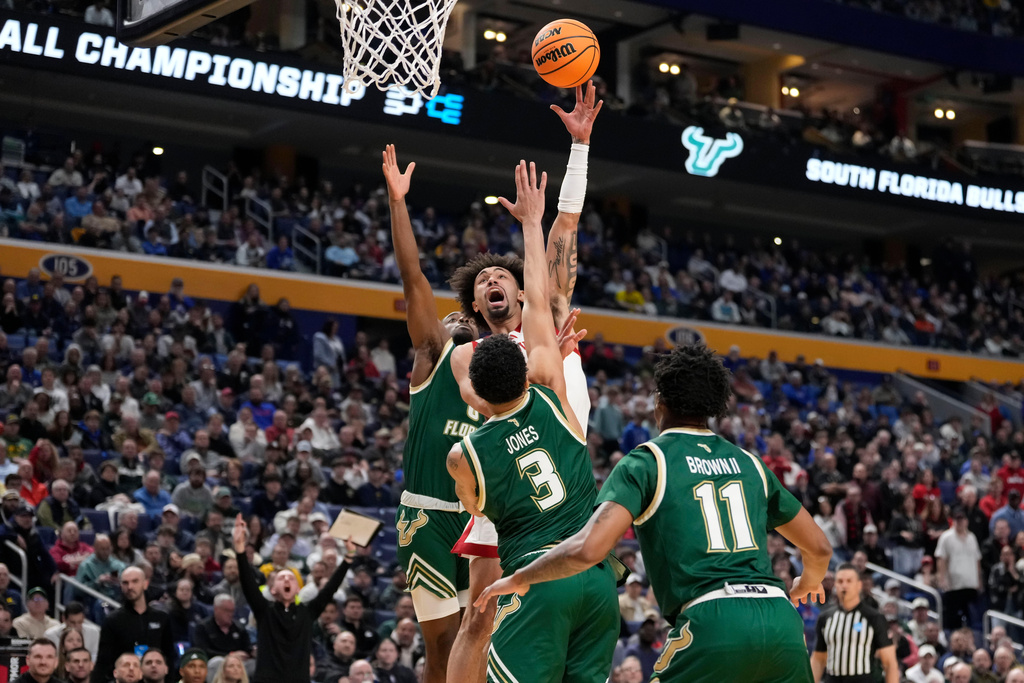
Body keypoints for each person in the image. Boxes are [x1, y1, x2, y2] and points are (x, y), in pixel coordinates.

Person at [476, 342, 833, 683]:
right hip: (783, 623)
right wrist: (810, 581)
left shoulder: (647, 462)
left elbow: (588, 549)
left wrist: (523, 577)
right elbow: (819, 548)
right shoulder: (751, 464)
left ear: (659, 402)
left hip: (713, 620)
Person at [445, 83, 600, 683]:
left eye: (499, 274)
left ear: (516, 287)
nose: (491, 280)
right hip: (515, 477)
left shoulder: (550, 310)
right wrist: (543, 367)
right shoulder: (474, 352)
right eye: (480, 280)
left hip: (569, 474)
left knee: (576, 618)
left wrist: (580, 147)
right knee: (479, 617)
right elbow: (477, 395)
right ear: (478, 305)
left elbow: (566, 224)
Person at [381, 142, 486, 683]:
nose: (455, 319)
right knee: (441, 644)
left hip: (479, 520)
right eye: (449, 318)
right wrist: (399, 203)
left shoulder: (499, 378)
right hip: (427, 514)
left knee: (480, 638)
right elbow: (413, 277)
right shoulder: (432, 356)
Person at [232, 514, 354, 683]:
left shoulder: (307, 612)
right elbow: (248, 584)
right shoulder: (265, 610)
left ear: (298, 589)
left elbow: (330, 589)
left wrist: (347, 559)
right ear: (273, 589)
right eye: (282, 578)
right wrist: (239, 549)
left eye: (291, 578)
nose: (287, 580)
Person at [810, 564, 899, 683]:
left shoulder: (874, 618)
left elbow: (889, 662)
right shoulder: (825, 618)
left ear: (859, 585)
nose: (844, 585)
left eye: (849, 581)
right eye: (840, 581)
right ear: (835, 585)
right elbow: (818, 659)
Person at [95, 566, 174, 682]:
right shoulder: (112, 620)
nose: (130, 587)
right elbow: (103, 662)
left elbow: (169, 658)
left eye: (135, 581)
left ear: (145, 584)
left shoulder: (162, 618)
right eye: (125, 583)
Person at [936, 507, 982, 628]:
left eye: (962, 519)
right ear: (953, 521)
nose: (960, 522)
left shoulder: (972, 537)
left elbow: (977, 560)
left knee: (971, 619)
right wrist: (942, 579)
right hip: (954, 586)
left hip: (970, 584)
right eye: (957, 519)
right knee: (953, 618)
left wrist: (979, 580)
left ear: (967, 521)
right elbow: (941, 558)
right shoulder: (946, 537)